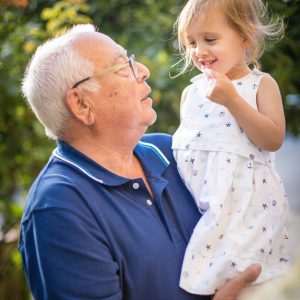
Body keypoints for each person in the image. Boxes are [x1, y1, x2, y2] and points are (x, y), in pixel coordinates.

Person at [18, 24, 261, 300]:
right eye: (123, 66)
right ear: (82, 104)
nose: (143, 70)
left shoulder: (172, 150)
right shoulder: (59, 208)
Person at [171, 0, 290, 296]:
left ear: (245, 37)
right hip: (203, 205)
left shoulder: (261, 85)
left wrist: (233, 101)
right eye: (192, 42)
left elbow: (272, 139)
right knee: (206, 280)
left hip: (247, 206)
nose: (199, 50)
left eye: (210, 39)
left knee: (247, 278)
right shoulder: (192, 92)